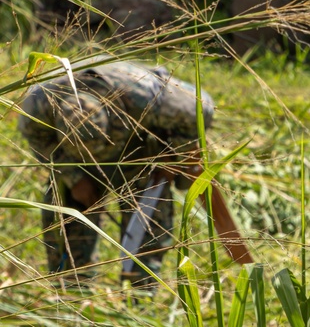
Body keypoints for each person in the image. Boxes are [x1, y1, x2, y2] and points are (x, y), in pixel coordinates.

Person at [17, 59, 213, 289]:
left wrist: (173, 161)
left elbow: (201, 109)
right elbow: (40, 141)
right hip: (71, 160)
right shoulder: (39, 105)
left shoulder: (146, 96)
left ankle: (140, 294)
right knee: (62, 210)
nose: (95, 158)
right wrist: (72, 176)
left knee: (148, 217)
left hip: (136, 149)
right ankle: (71, 292)